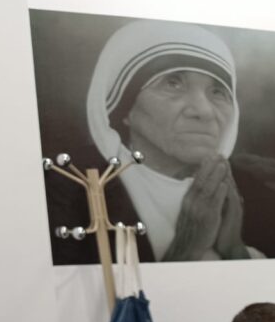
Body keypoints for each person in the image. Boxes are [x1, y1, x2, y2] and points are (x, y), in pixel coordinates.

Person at [84, 19, 264, 262]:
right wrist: (187, 246)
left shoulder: (257, 194)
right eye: (173, 84)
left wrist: (233, 249)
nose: (204, 111)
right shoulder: (76, 192)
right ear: (124, 110)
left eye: (217, 92)